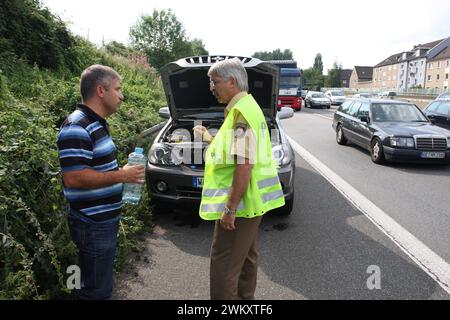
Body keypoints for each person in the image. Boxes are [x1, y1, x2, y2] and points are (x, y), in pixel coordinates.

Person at [195, 58, 285, 300]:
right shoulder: (247, 107)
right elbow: (236, 152)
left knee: (224, 267)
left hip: (240, 207)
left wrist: (229, 208)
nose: (211, 88)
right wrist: (208, 138)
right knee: (246, 259)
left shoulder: (241, 113)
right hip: (251, 205)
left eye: (214, 82)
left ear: (231, 81)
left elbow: (244, 165)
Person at [56, 64, 145, 300]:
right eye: (117, 89)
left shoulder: (96, 123)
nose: (122, 96)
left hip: (100, 222)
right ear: (100, 90)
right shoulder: (78, 126)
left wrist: (118, 173)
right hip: (92, 223)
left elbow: (94, 167)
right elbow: (74, 178)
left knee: (93, 282)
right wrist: (122, 175)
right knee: (95, 291)